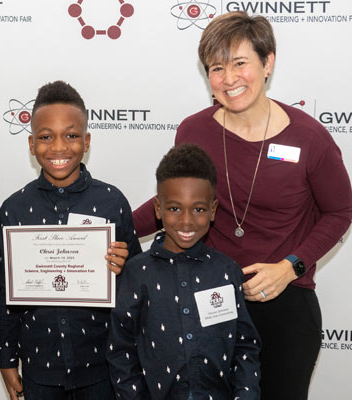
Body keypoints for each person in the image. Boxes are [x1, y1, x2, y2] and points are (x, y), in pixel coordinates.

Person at [132, 11, 352, 400]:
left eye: (240, 63)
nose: (229, 79)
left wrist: (290, 266)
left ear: (267, 63)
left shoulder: (309, 138)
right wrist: (111, 231)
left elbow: (341, 211)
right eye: (217, 68)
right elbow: (172, 203)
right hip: (207, 295)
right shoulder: (194, 131)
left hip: (285, 303)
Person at [0, 80, 142, 400]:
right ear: (32, 144)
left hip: (103, 364)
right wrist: (5, 357)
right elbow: (5, 294)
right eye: (46, 137)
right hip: (40, 366)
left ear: (86, 141)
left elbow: (138, 288)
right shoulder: (14, 210)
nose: (59, 146)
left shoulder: (111, 202)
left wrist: (123, 268)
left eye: (71, 135)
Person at [108, 143, 260, 400]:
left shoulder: (227, 271)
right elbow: (121, 350)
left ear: (212, 210)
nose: (187, 220)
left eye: (198, 209)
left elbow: (244, 346)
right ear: (158, 208)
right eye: (175, 208)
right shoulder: (136, 273)